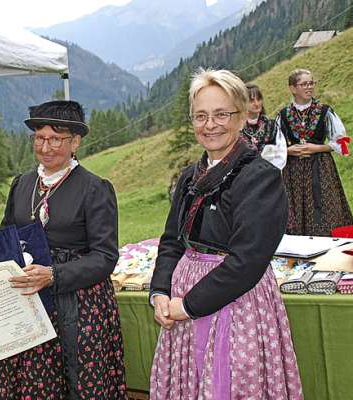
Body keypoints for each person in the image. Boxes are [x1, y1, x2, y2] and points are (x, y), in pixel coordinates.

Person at [149, 69, 303, 399]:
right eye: (201, 116)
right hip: (181, 302)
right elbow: (172, 239)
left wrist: (188, 305)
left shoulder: (258, 176)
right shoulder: (191, 175)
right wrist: (160, 292)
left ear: (241, 115)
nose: (210, 125)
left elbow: (248, 260)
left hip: (236, 303)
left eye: (221, 114)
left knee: (229, 383)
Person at [0, 100, 127, 399]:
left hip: (78, 304)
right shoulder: (22, 184)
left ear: (75, 142)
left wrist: (53, 274)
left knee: (76, 380)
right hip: (28, 301)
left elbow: (105, 257)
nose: (46, 147)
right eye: (39, 137)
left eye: (56, 139)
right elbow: (9, 233)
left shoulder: (94, 188)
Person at [276, 68, 352, 236]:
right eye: (304, 84)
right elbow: (274, 146)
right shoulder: (283, 115)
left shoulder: (324, 111)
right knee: (297, 209)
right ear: (293, 88)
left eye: (311, 83)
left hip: (321, 168)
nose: (309, 87)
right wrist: (289, 151)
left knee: (326, 207)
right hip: (294, 172)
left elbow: (342, 142)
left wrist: (318, 148)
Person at [241, 83, 286, 169]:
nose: (256, 103)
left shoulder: (272, 126)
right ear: (243, 103)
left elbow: (281, 153)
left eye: (259, 99)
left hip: (272, 174)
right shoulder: (237, 130)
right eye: (251, 101)